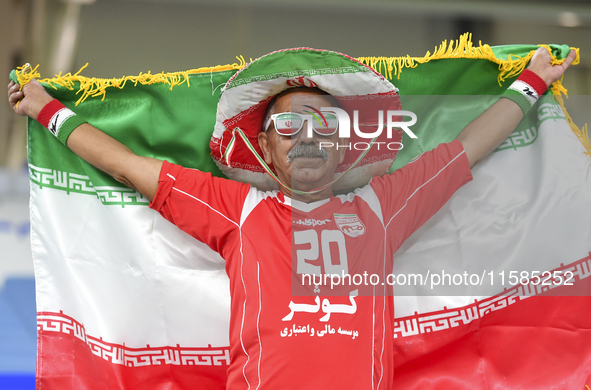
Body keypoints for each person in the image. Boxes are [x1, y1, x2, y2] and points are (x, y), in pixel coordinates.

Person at [7, 47, 576, 389]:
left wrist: (533, 82)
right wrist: (45, 109)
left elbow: (469, 148)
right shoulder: (237, 209)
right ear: (264, 150)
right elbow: (130, 167)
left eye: (325, 128)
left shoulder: (384, 206)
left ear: (345, 148)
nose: (308, 138)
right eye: (289, 127)